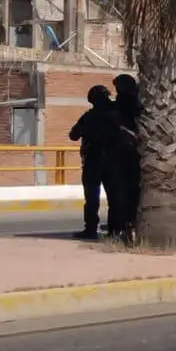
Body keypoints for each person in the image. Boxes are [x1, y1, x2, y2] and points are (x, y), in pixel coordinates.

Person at [68, 85, 114, 240]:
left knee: (92, 198)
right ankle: (116, 229)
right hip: (112, 161)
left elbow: (73, 135)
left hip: (93, 161)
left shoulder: (89, 116)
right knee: (114, 197)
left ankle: (91, 229)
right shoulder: (117, 114)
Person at [104, 74, 142, 240]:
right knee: (126, 192)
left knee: (121, 193)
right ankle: (124, 226)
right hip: (128, 152)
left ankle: (122, 227)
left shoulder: (128, 104)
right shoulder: (130, 102)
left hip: (124, 152)